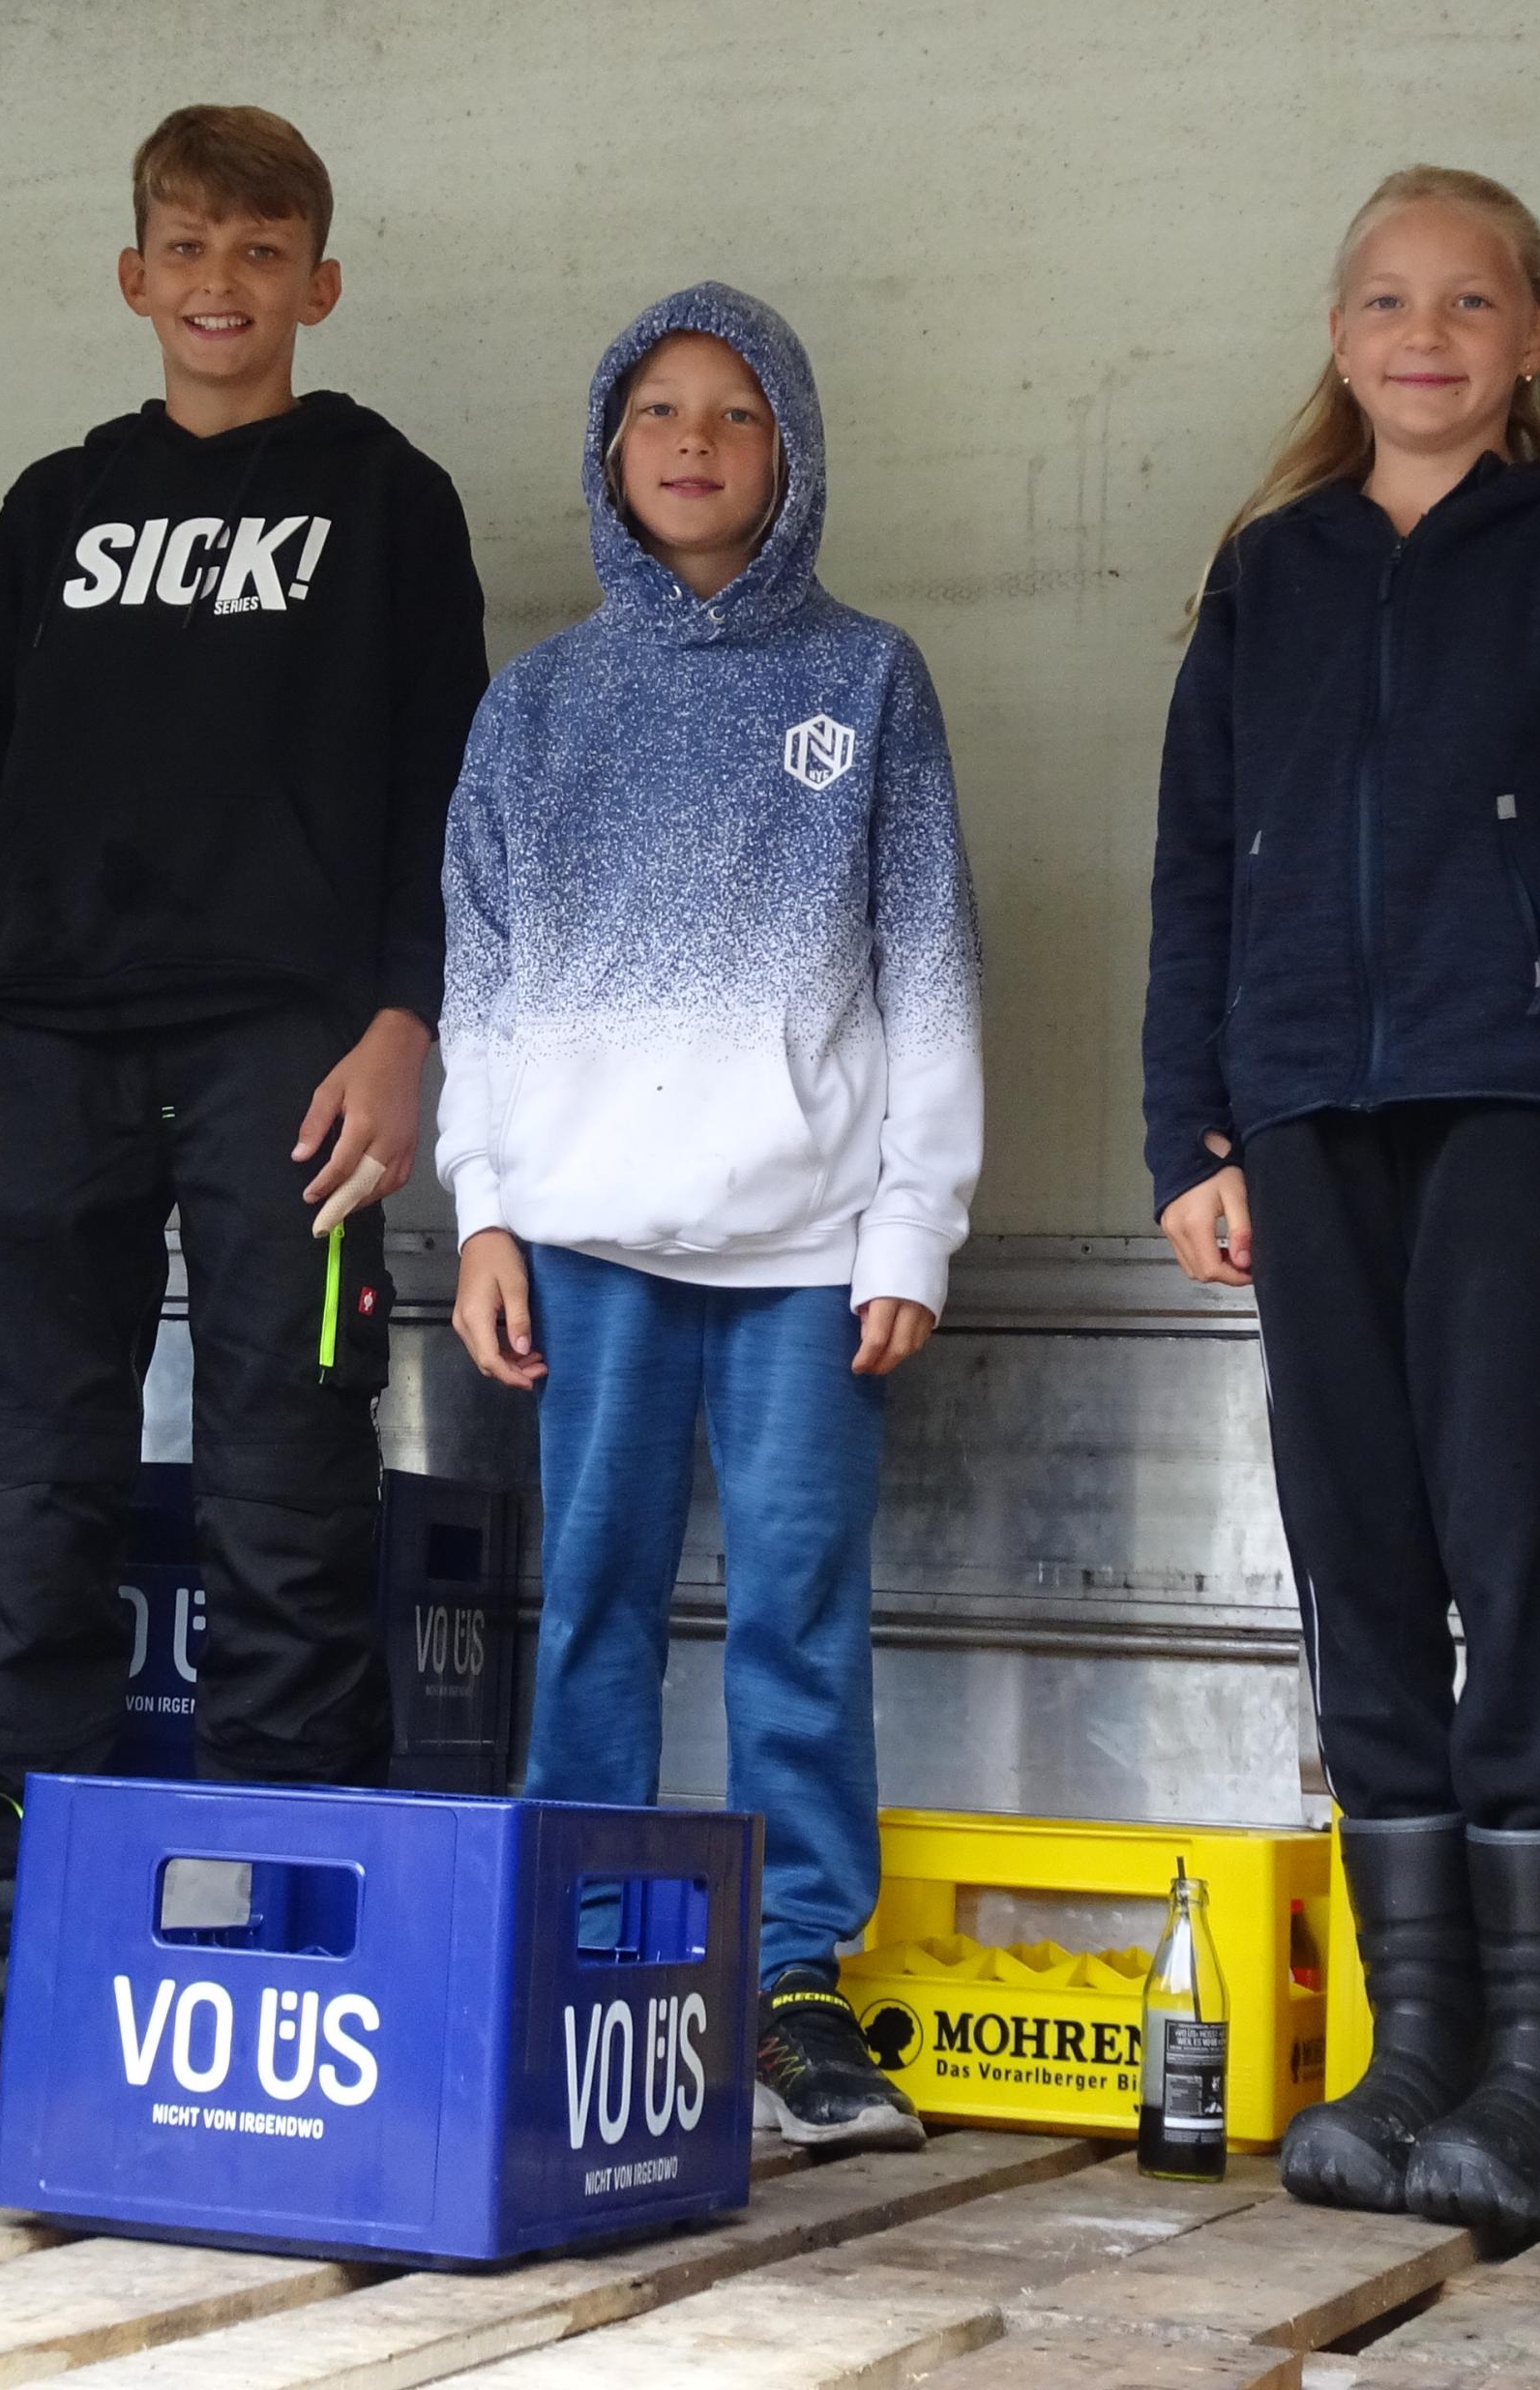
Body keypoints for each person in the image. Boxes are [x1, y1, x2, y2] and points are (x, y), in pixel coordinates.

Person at [0, 105, 489, 2063]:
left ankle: (276, 1890)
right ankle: (6, 1907)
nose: (222, 284)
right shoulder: (56, 503)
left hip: (290, 1052)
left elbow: (447, 787)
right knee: (24, 1473)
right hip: (49, 1043)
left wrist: (407, 1025)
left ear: (319, 283)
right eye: (188, 247)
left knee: (287, 1464)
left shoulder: (388, 498)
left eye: (260, 250)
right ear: (134, 276)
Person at [1145, 167, 1540, 2246]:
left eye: (1470, 302)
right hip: (1300, 1114)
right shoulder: (1269, 568)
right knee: (1356, 1556)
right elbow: (1192, 862)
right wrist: (1186, 1134)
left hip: (1517, 1110)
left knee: (1515, 1549)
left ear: (1532, 337)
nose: (1425, 335)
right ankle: (1414, 2052)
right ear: (1336, 331)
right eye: (1386, 300)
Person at [444, 283, 983, 2156]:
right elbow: (479, 986)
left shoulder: (869, 680)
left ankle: (795, 1980)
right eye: (657, 410)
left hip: (811, 1257)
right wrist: (482, 1213)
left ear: (792, 452)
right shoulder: (534, 706)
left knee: (799, 1612)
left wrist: (912, 1227)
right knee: (589, 1600)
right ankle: (576, 1948)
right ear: (609, 449)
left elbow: (930, 971)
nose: (693, 442)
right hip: (582, 1243)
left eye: (735, 413)